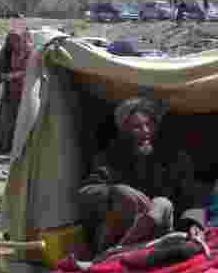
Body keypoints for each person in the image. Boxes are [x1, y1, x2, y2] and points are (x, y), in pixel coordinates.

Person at [78, 97, 206, 253]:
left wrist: (194, 223)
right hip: (118, 234)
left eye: (149, 124)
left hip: (159, 236)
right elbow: (85, 193)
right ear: (124, 131)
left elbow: (192, 198)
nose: (145, 131)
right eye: (137, 127)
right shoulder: (109, 158)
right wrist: (114, 191)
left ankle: (121, 252)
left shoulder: (174, 158)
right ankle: (116, 252)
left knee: (162, 204)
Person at [0, 18, 32, 156]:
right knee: (8, 120)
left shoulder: (29, 51)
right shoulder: (9, 52)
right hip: (11, 91)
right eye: (12, 39)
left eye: (16, 38)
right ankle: (6, 148)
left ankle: (17, 150)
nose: (14, 41)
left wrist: (12, 76)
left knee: (21, 121)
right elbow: (1, 68)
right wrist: (5, 77)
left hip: (24, 92)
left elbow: (29, 71)